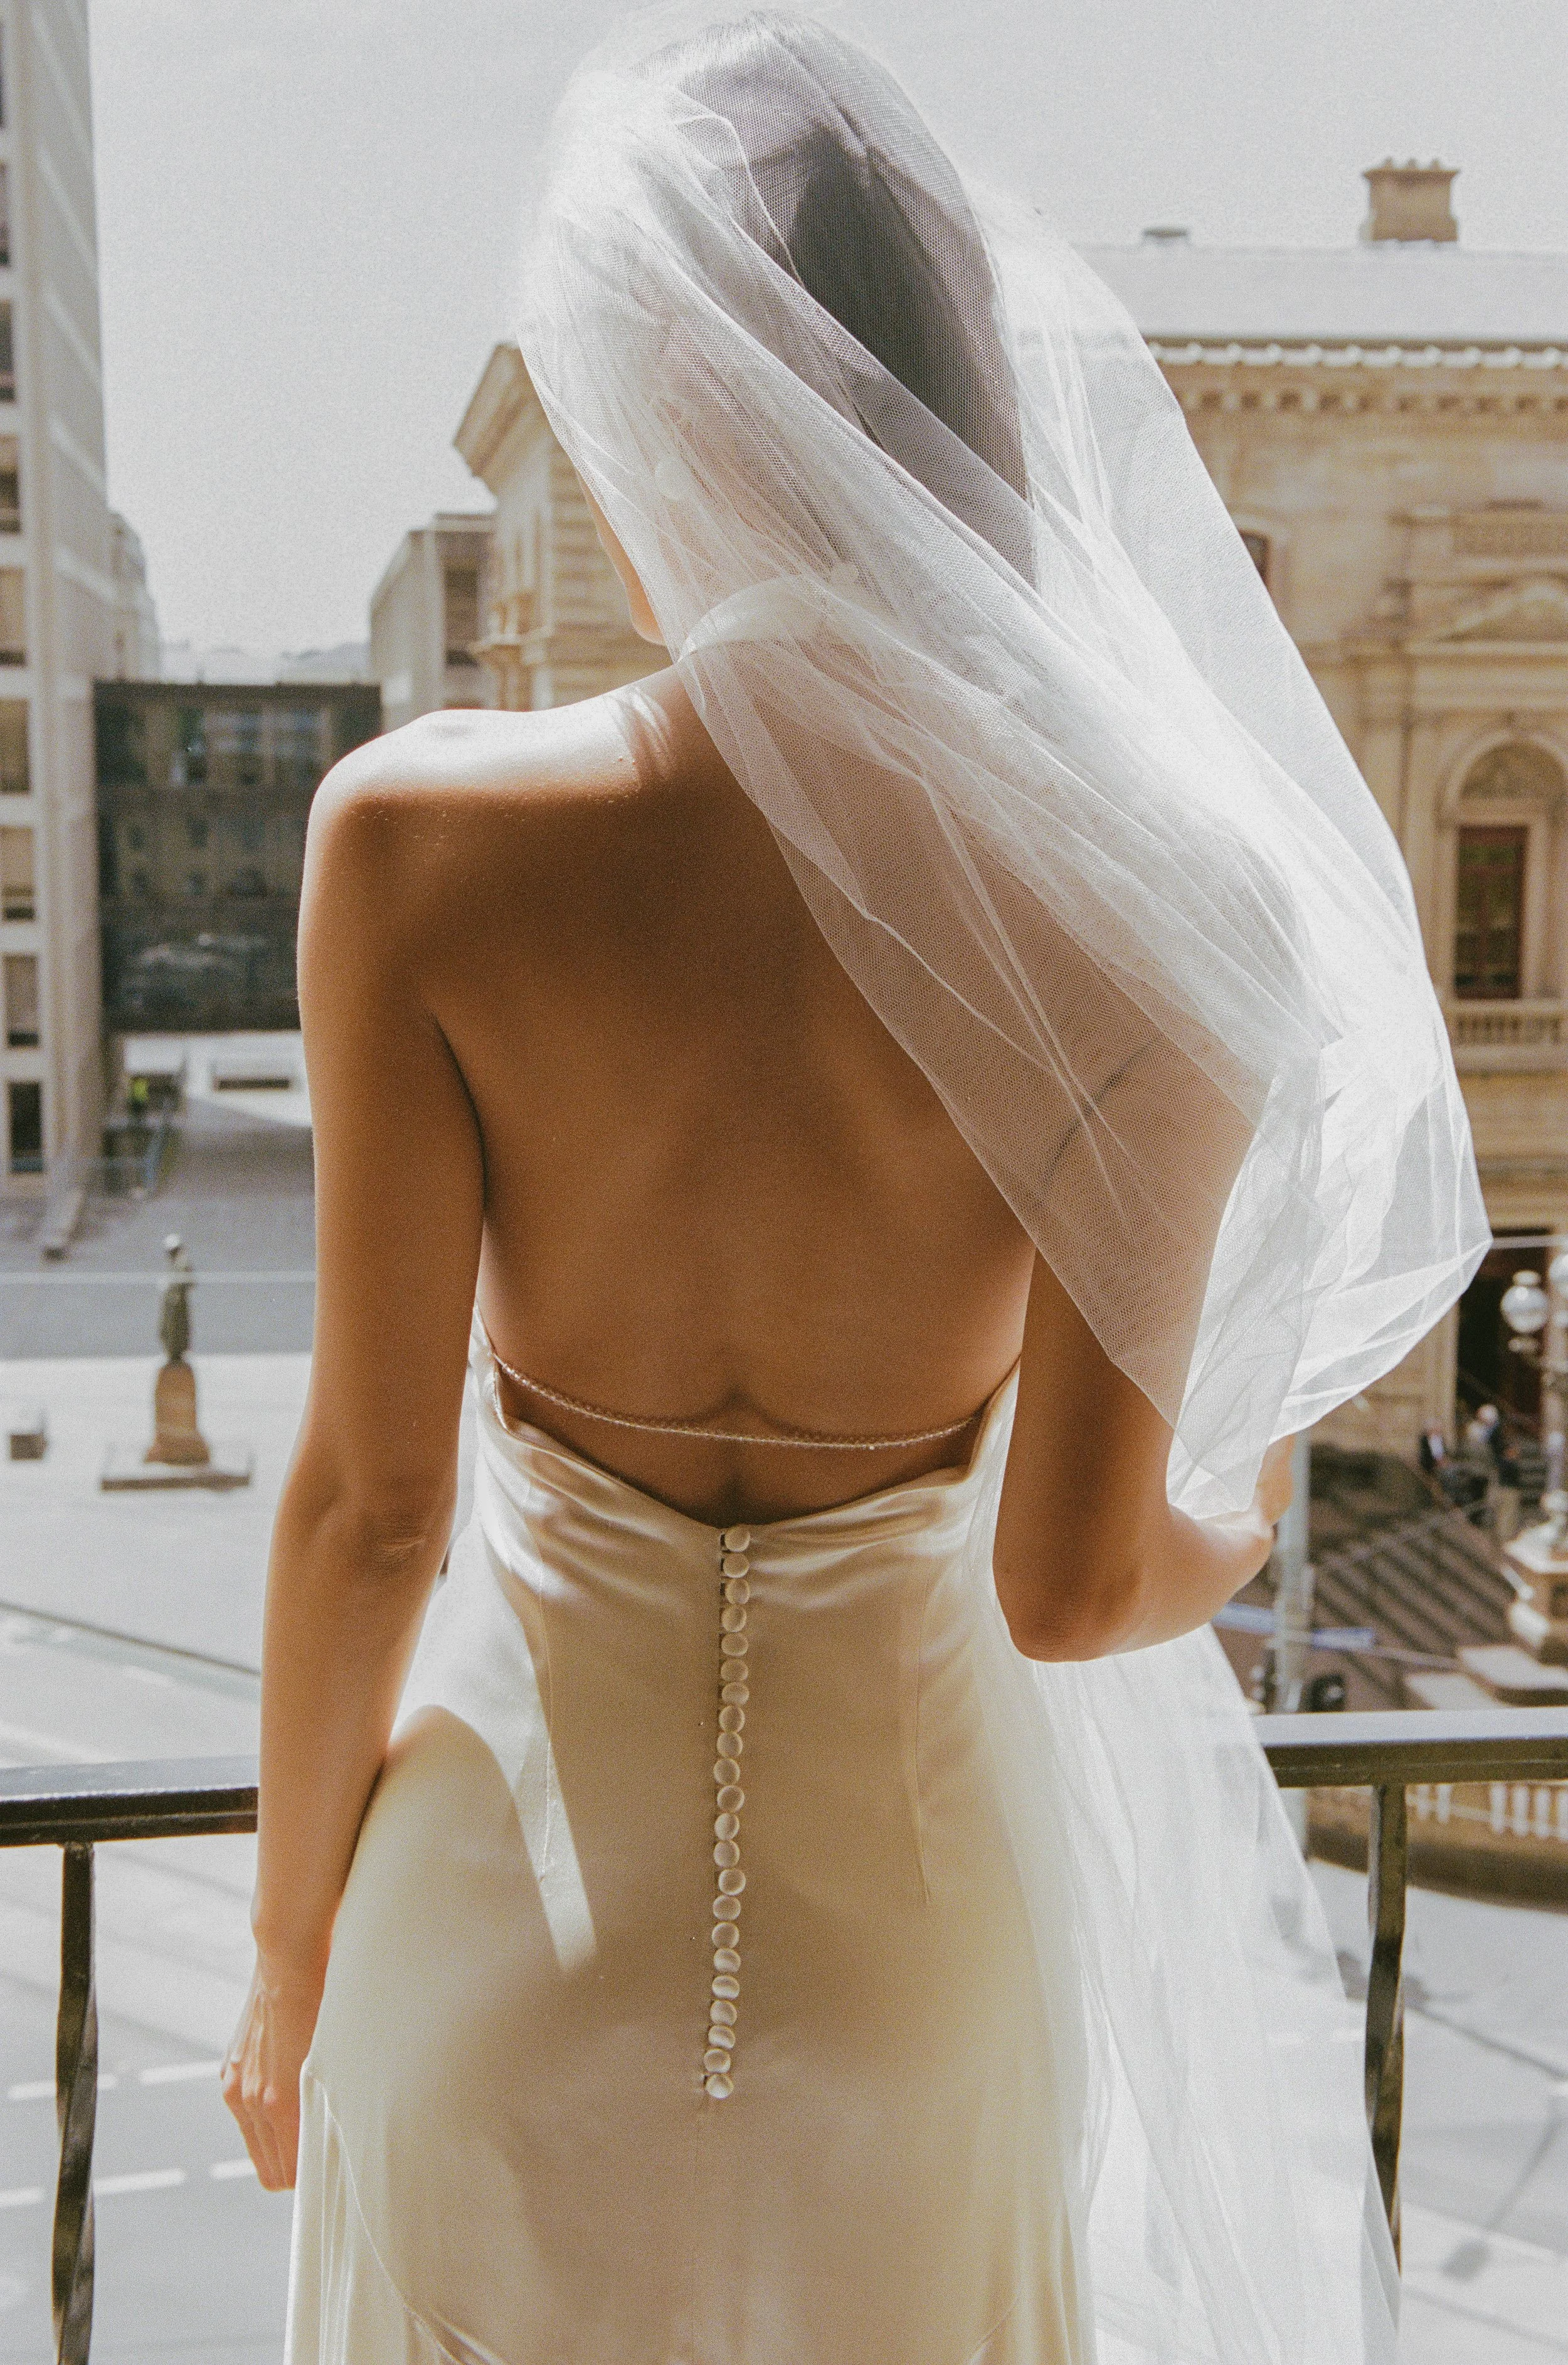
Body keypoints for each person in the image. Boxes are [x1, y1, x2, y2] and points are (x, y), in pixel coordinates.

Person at [223, 13, 1485, 2361]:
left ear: (662, 393)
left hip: (490, 1954)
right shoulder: (1152, 914)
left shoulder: (414, 845)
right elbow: (1081, 1579)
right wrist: (1249, 1468)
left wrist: (292, 1958)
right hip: (911, 1991)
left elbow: (370, 1512)